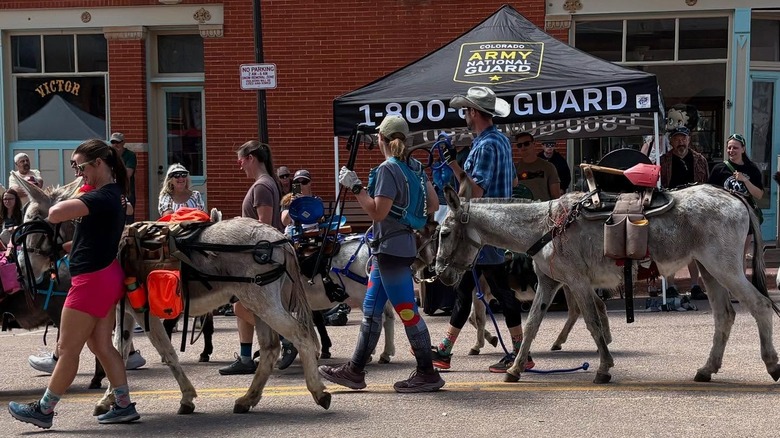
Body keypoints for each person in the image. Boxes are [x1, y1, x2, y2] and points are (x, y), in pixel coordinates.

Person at [8, 139, 140, 428]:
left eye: (80, 167)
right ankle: (124, 404)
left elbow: (54, 214)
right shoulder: (113, 193)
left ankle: (43, 410)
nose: (78, 173)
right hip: (106, 276)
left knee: (67, 350)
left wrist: (55, 197)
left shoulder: (99, 197)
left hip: (91, 282)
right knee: (103, 346)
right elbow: (93, 236)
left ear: (98, 164)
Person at [318, 114, 445, 393]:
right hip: (396, 248)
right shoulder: (415, 168)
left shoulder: (389, 169)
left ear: (380, 139)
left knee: (407, 312)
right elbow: (433, 204)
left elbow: (377, 211)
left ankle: (427, 372)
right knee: (371, 311)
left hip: (388, 249)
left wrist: (355, 188)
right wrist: (408, 216)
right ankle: (354, 371)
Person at [431, 86, 530, 374]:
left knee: (498, 289)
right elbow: (509, 185)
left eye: (465, 111)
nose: (464, 115)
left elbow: (474, 190)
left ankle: (519, 351)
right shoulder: (500, 141)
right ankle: (445, 351)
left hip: (482, 227)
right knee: (466, 289)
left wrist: (452, 163)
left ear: (474, 112)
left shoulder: (485, 145)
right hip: (494, 225)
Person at [218, 140, 283, 375]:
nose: (240, 166)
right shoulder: (266, 184)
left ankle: (287, 338)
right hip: (260, 258)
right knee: (239, 304)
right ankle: (246, 357)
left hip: (261, 260)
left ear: (251, 159)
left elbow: (264, 228)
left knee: (241, 307)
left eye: (240, 161)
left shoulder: (262, 187)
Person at [660, 126, 709, 300]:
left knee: (695, 249)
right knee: (669, 248)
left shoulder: (699, 160)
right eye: (677, 139)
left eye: (683, 138)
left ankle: (695, 285)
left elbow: (705, 185)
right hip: (670, 207)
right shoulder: (664, 160)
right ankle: (670, 285)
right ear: (671, 141)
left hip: (694, 208)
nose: (680, 142)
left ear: (689, 140)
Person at [708, 133, 764, 272]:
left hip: (745, 218)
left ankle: (740, 291)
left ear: (743, 149)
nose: (731, 151)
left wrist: (745, 180)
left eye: (735, 148)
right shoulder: (719, 168)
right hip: (724, 218)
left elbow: (759, 194)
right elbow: (709, 192)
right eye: (729, 148)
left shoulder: (752, 169)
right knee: (724, 256)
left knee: (740, 256)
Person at [514, 132, 561, 201]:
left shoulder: (548, 167)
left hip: (543, 210)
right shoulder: (514, 169)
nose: (523, 147)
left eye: (526, 144)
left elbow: (556, 196)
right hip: (521, 210)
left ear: (534, 145)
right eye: (519, 145)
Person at [109, 133, 136, 224]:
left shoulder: (130, 155)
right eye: (113, 142)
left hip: (126, 190)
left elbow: (128, 173)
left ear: (123, 142)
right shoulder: (108, 156)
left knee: (128, 217)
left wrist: (111, 173)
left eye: (118, 142)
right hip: (112, 190)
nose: (115, 145)